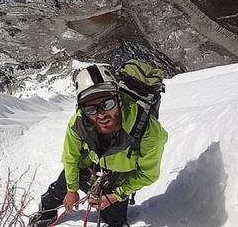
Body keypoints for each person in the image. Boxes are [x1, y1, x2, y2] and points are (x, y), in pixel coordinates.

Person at [31, 65, 168, 227]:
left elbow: (148, 174)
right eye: (91, 108)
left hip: (119, 178)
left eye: (107, 104)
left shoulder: (149, 132)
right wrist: (72, 190)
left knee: (116, 221)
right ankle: (46, 212)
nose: (101, 114)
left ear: (119, 99)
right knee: (61, 187)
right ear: (83, 110)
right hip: (90, 165)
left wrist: (115, 196)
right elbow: (71, 158)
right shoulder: (79, 123)